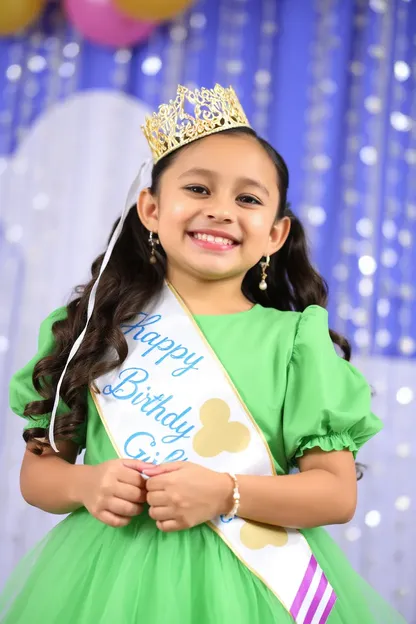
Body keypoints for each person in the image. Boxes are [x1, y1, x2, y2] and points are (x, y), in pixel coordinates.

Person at [0, 84, 405, 624]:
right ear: (150, 209)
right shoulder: (92, 332)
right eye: (197, 189)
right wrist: (84, 483)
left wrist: (224, 493)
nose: (220, 211)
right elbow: (40, 477)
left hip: (253, 586)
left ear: (275, 234)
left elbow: (335, 495)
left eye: (248, 199)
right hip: (104, 583)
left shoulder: (294, 343)